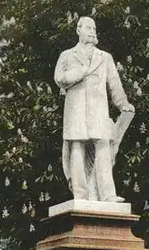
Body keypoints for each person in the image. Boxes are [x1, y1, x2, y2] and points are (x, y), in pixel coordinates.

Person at [54, 16, 134, 202]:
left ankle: (108, 195)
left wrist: (123, 104)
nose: (92, 32)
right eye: (88, 28)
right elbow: (59, 78)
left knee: (103, 147)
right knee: (77, 148)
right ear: (78, 30)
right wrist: (79, 73)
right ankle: (80, 195)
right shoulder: (67, 55)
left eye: (94, 28)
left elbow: (114, 84)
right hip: (76, 110)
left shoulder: (104, 57)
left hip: (98, 110)